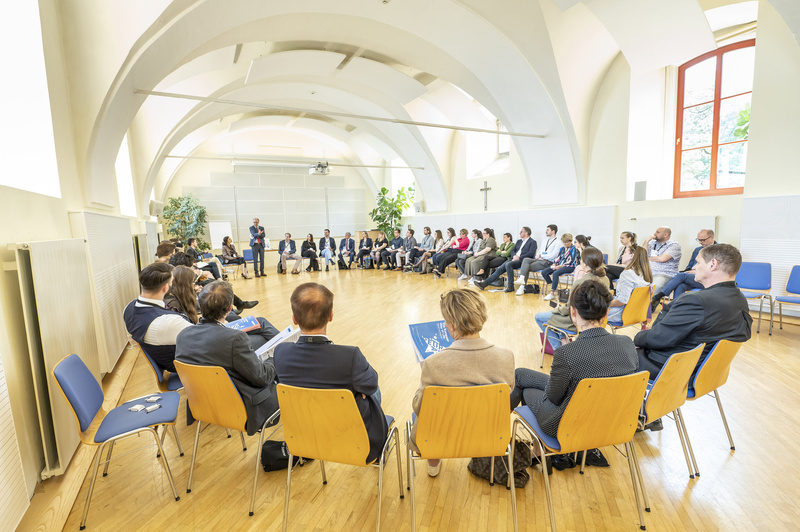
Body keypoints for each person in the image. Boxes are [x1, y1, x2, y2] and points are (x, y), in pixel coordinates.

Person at [273, 283, 388, 464]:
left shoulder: (280, 352)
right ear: (331, 316)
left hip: (304, 438)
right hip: (354, 443)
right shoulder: (349, 356)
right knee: (373, 391)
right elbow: (371, 384)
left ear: (294, 319)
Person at [511, 280, 639, 439]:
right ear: (606, 312)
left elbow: (554, 398)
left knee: (526, 387)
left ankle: (497, 433)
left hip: (566, 425)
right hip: (613, 420)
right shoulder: (627, 343)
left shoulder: (567, 353)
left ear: (572, 312)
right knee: (521, 374)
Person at [410, 287, 514, 476]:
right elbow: (506, 402)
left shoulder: (433, 364)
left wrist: (424, 376)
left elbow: (420, 407)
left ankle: (433, 461)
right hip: (488, 436)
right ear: (481, 317)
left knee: (421, 408)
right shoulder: (506, 357)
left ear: (450, 325)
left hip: (440, 438)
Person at [635, 243, 752, 382]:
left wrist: (638, 337)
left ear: (712, 264)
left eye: (698, 262)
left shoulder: (696, 301)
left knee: (610, 354)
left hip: (672, 369)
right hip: (706, 372)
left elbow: (657, 339)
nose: (694, 267)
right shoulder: (739, 299)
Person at [175, 281, 279, 435]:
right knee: (285, 377)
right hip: (240, 407)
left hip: (202, 404)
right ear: (230, 308)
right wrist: (274, 356)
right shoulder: (235, 339)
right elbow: (262, 378)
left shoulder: (183, 335)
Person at [535, 247, 610, 352]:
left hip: (577, 321)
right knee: (558, 314)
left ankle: (559, 350)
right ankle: (563, 338)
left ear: (585, 264)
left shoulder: (580, 283)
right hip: (598, 319)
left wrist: (558, 309)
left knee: (539, 317)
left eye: (581, 259)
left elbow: (568, 310)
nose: (579, 261)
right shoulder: (605, 280)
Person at [123, 263, 192, 372]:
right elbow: (202, 339)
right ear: (166, 287)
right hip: (187, 367)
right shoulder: (168, 322)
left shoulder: (129, 308)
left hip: (166, 359)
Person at [650, 229, 717, 311]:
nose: (700, 242)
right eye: (698, 240)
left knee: (681, 276)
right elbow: (690, 265)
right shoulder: (697, 250)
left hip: (708, 279)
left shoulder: (719, 250)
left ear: (712, 237)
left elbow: (717, 269)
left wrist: (697, 271)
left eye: (703, 240)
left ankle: (659, 296)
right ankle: (676, 309)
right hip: (694, 278)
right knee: (680, 286)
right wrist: (688, 270)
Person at [169, 252, 258, 313]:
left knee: (214, 283)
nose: (193, 269)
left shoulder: (175, 272)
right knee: (215, 286)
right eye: (191, 267)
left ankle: (233, 307)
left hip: (193, 285)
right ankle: (233, 307)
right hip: (192, 289)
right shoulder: (176, 281)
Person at [475, 227, 537, 292]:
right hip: (514, 258)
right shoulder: (519, 241)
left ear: (526, 233)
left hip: (523, 261)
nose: (520, 233)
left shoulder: (532, 242)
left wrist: (519, 257)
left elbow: (531, 253)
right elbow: (513, 251)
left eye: (521, 231)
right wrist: (514, 256)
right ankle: (484, 284)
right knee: (499, 269)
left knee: (508, 264)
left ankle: (510, 286)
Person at [608, 247, 653, 323]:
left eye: (625, 253)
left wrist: (605, 304)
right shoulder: (644, 274)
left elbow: (622, 301)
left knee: (584, 312)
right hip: (637, 313)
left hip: (620, 314)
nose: (622, 255)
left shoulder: (627, 274)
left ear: (632, 256)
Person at [516, 224, 562, 290]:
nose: (546, 231)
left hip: (548, 262)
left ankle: (522, 286)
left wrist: (542, 256)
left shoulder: (558, 242)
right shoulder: (544, 241)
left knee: (526, 267)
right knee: (526, 260)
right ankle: (522, 279)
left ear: (553, 231)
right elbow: (539, 251)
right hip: (539, 260)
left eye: (548, 230)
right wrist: (537, 255)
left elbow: (554, 255)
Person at [537, 233, 580, 299]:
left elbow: (572, 261)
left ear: (570, 241)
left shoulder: (574, 249)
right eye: (564, 242)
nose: (565, 244)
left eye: (566, 242)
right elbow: (558, 258)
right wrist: (554, 264)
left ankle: (552, 293)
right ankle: (552, 285)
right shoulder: (562, 249)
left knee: (555, 273)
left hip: (570, 266)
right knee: (544, 272)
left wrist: (560, 266)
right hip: (560, 265)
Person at [645, 226, 682, 293]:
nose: (654, 234)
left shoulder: (674, 245)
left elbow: (663, 259)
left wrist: (647, 258)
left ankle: (649, 303)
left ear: (665, 235)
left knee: (654, 288)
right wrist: (646, 241)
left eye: (657, 232)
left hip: (663, 274)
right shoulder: (652, 243)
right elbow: (643, 255)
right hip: (648, 273)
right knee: (631, 284)